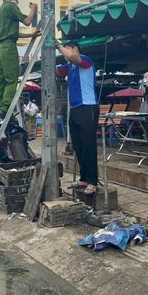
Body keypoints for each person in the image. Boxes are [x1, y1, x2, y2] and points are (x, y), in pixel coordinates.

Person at [56, 39, 99, 196]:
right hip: (74, 109)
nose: (64, 52)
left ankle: (93, 181)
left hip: (88, 108)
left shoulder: (85, 60)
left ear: (74, 49)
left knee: (89, 146)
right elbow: (56, 70)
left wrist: (59, 45)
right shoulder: (70, 66)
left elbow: (73, 57)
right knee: (78, 146)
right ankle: (84, 178)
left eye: (67, 49)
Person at [0, 0, 40, 120]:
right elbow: (27, 21)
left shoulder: (0, 11)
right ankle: (4, 109)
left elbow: (12, 32)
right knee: (12, 80)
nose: (17, 1)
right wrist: (33, 9)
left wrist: (30, 35)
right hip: (9, 47)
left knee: (0, 81)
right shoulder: (10, 6)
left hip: (0, 47)